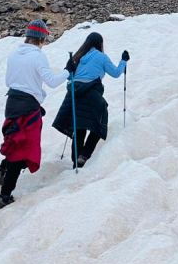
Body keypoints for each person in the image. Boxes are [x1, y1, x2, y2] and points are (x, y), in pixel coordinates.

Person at [0, 19, 68, 210]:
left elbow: (9, 79)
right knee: (23, 149)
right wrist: (68, 71)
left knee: (14, 141)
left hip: (12, 103)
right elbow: (51, 81)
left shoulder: (14, 53)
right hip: (28, 109)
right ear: (41, 38)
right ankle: (5, 195)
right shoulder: (38, 56)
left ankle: (2, 170)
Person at [52, 32, 128, 168]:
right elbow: (116, 73)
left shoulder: (77, 57)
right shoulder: (102, 57)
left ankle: (76, 161)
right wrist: (124, 61)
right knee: (99, 123)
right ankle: (84, 154)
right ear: (100, 44)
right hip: (92, 93)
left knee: (79, 126)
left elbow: (69, 77)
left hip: (74, 94)